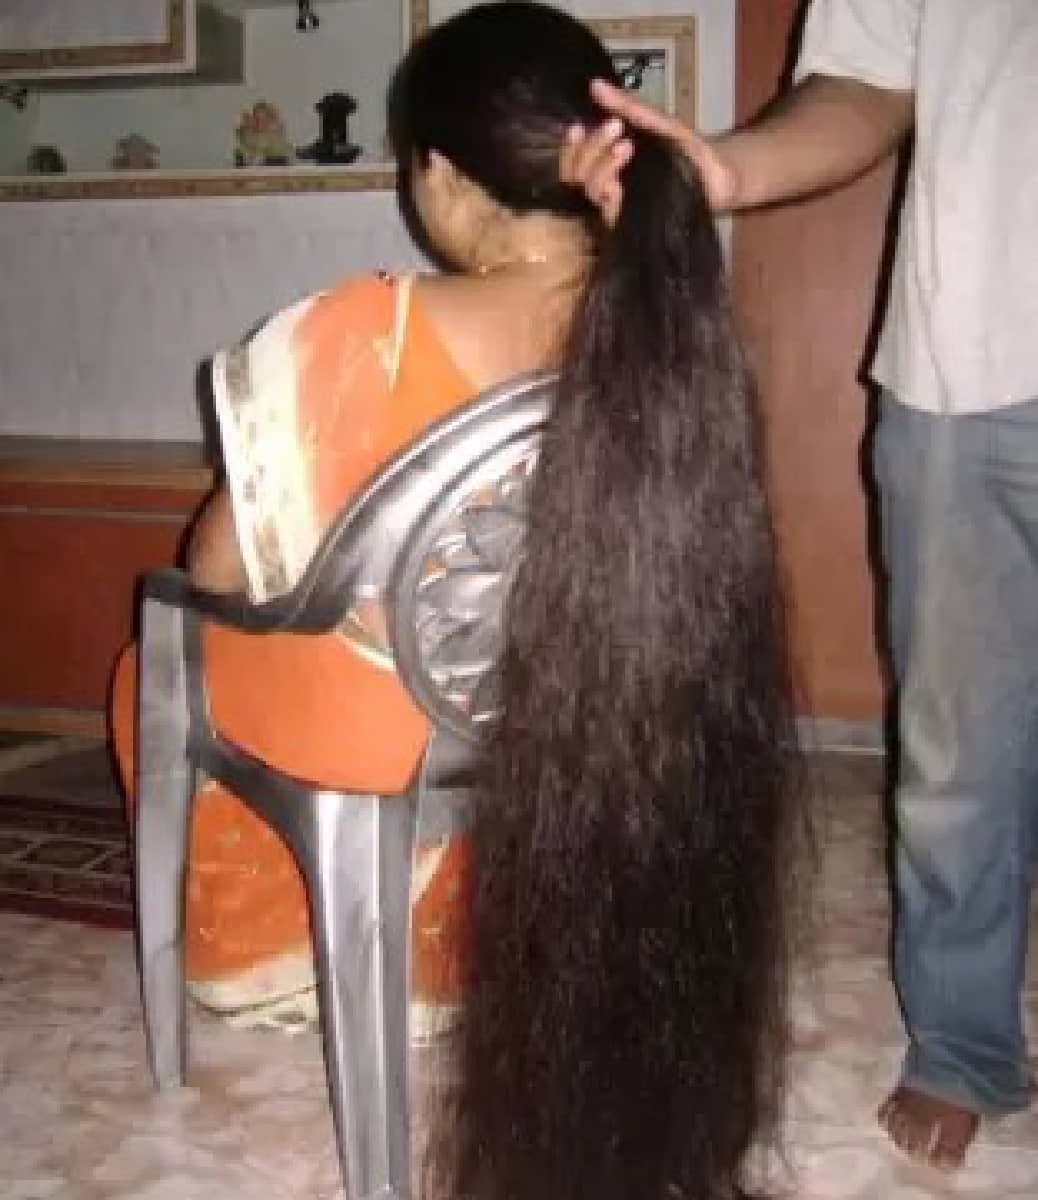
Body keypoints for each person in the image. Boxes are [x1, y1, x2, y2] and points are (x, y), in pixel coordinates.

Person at [112, 3, 802, 1197]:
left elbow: (219, 574)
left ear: (439, 173)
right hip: (592, 727)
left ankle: (261, 963)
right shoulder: (668, 328)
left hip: (391, 743)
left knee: (156, 662)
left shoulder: (359, 328)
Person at [561, 0, 1038, 1172]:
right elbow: (865, 79)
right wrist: (723, 172)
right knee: (956, 760)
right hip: (972, 362)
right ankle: (964, 1043)